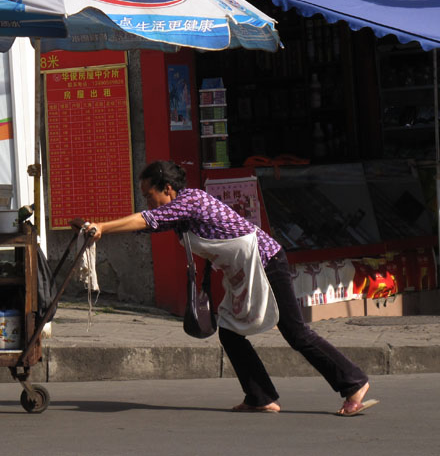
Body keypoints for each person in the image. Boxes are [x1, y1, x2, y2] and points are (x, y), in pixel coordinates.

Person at [87, 160, 378, 416]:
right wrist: (98, 229)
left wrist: (102, 226)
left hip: (267, 264)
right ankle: (260, 397)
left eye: (149, 194)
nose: (147, 202)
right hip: (247, 271)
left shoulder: (191, 201)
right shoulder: (179, 213)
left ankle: (353, 383)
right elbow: (146, 223)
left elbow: (147, 219)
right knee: (229, 331)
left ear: (167, 189)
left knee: (296, 332)